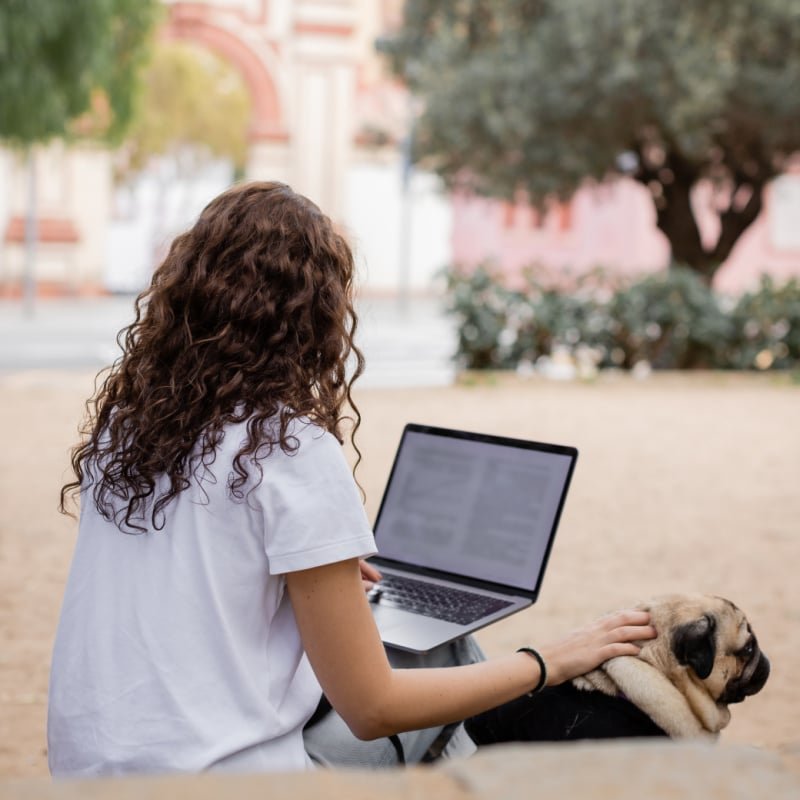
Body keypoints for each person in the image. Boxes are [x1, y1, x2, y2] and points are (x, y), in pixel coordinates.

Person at [48, 181, 655, 777]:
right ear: (316, 317)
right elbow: (372, 708)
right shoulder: (289, 450)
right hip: (224, 781)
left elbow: (190, 578)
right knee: (451, 678)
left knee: (438, 650)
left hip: (93, 773)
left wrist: (306, 575)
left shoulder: (129, 432)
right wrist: (548, 659)